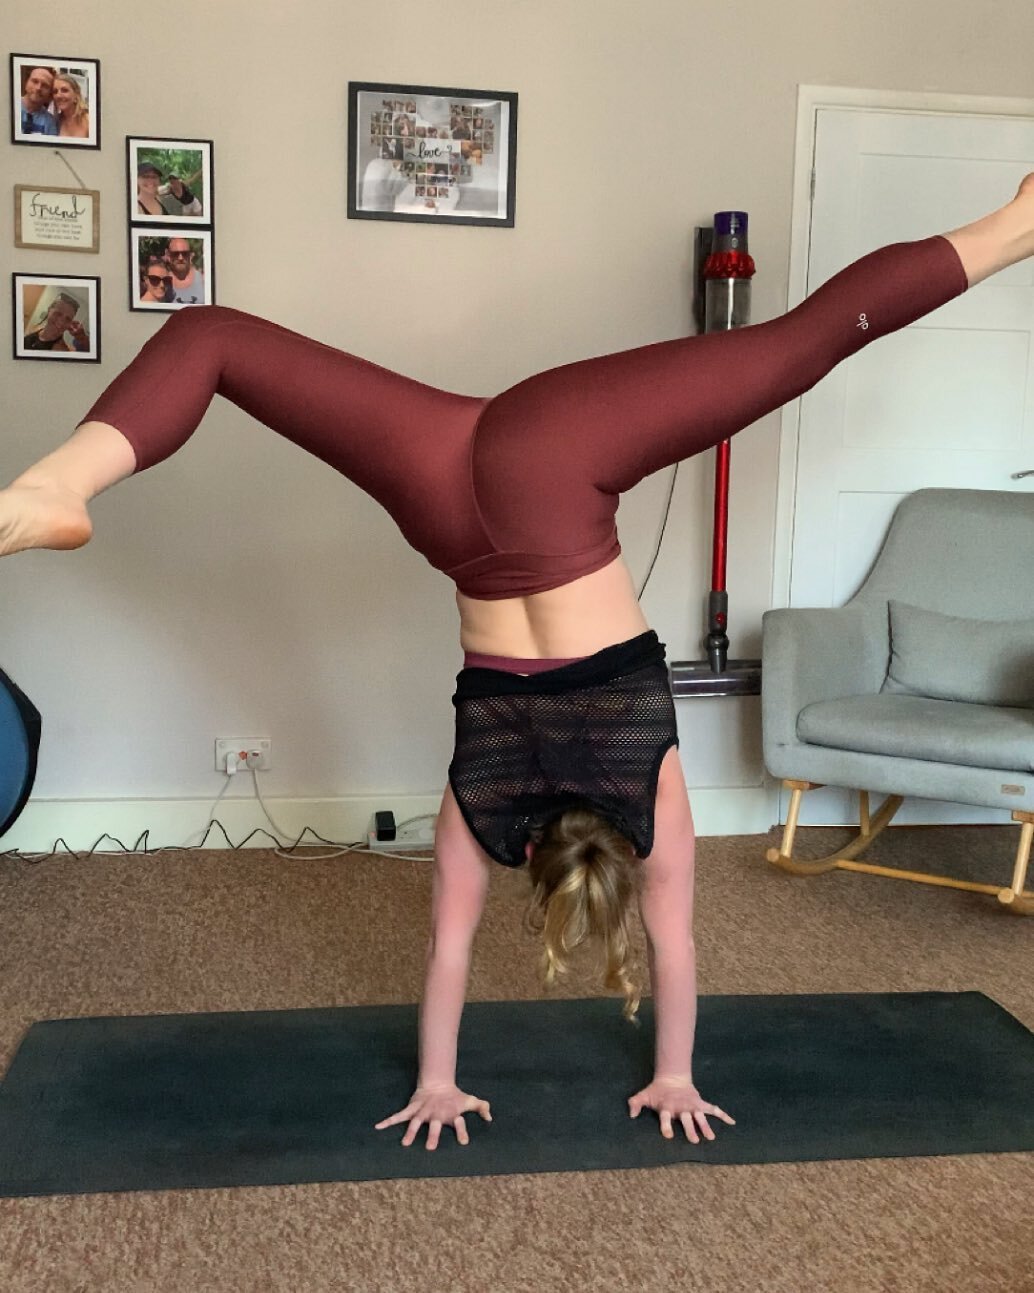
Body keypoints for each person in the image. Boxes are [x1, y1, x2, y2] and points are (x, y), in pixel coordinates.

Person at [3, 176, 1033, 1152]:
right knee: (218, 337)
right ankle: (54, 485)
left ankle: (1014, 228)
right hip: (446, 508)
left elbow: (673, 949)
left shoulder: (646, 797)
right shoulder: (482, 807)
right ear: (528, 864)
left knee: (798, 342)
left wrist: (675, 1072)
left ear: (610, 857)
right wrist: (432, 1082)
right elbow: (446, 952)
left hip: (550, 464)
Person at [22, 294, 89, 352]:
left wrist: (83, 339)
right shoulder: (36, 328)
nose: (61, 322)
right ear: (49, 310)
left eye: (68, 319)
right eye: (58, 313)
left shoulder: (61, 350)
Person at [136, 162, 203, 218]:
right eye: (171, 179)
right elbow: (156, 191)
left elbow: (193, 178)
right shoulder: (169, 189)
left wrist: (203, 168)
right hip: (185, 207)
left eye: (174, 178)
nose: (173, 180)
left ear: (178, 179)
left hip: (193, 203)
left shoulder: (183, 184)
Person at [165, 239, 207, 305]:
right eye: (176, 254)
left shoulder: (204, 280)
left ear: (190, 256)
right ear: (168, 256)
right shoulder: (162, 282)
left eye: (185, 253)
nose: (180, 258)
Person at [20, 66, 58, 137]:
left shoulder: (50, 122)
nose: (38, 88)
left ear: (49, 93)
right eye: (35, 81)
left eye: (45, 85)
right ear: (26, 83)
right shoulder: (9, 107)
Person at [51, 74, 90, 139]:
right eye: (55, 92)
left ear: (76, 95)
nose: (58, 96)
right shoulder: (55, 122)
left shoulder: (89, 120)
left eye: (64, 90)